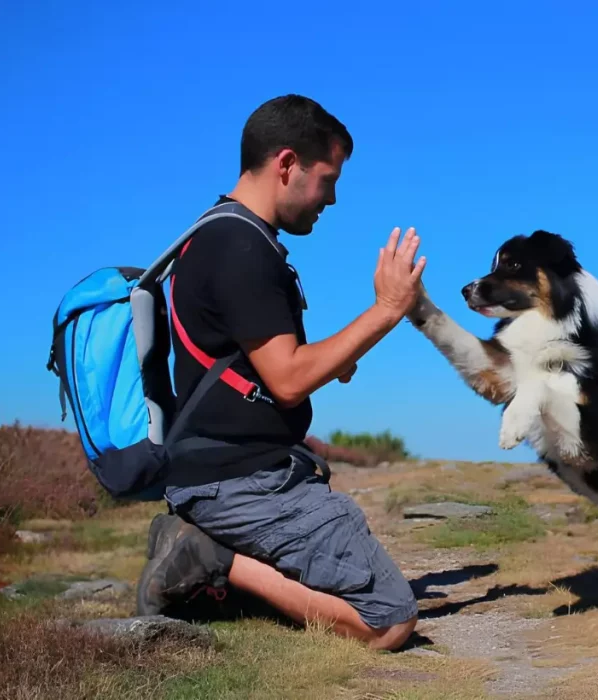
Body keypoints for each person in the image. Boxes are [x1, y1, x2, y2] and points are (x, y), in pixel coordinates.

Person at [136, 94, 425, 651]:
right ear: (287, 164)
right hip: (239, 480)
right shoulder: (240, 246)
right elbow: (288, 379)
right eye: (328, 179)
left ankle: (213, 561)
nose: (333, 198)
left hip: (229, 470)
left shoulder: (220, 234)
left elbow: (265, 365)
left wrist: (334, 359)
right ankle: (211, 557)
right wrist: (388, 309)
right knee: (388, 620)